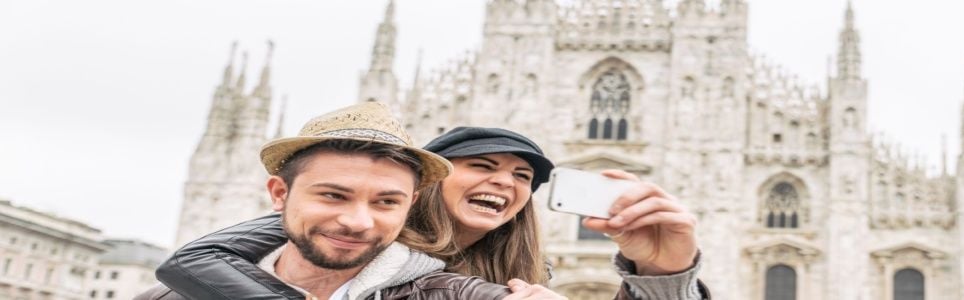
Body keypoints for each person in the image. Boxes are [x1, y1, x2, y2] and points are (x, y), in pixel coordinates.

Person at [152, 125, 707, 299]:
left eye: (523, 177)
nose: (504, 182)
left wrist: (664, 273)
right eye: (482, 165)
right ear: (424, 185)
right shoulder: (344, 237)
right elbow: (194, 261)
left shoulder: (508, 279)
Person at [137, 102, 563, 300]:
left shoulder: (499, 276)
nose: (357, 221)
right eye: (334, 195)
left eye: (522, 176)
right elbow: (192, 260)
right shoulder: (327, 236)